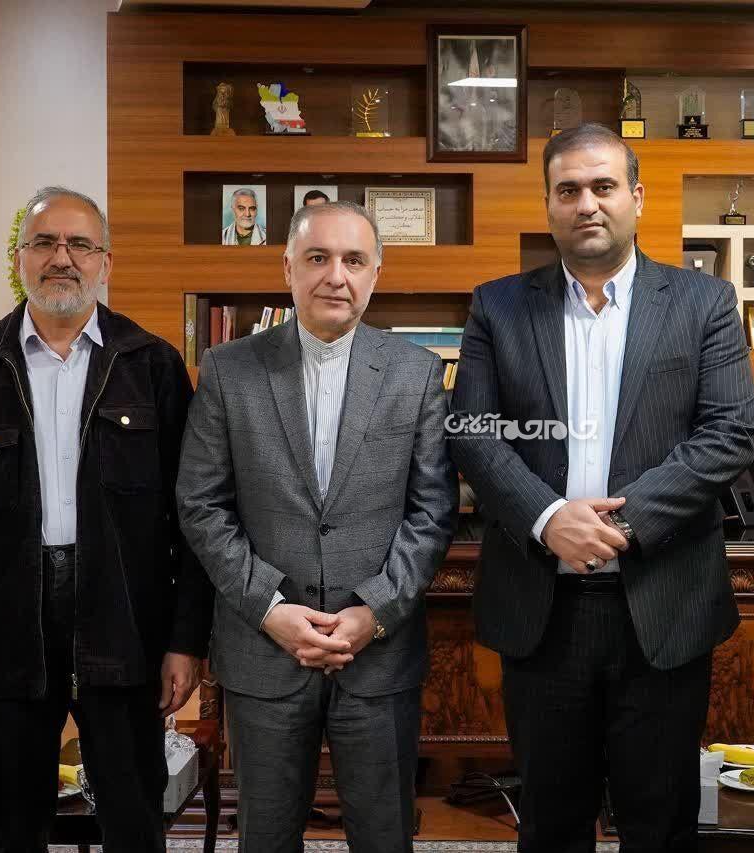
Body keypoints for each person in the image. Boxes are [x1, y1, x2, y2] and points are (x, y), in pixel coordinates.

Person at [449, 123, 754, 852]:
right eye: (568, 190)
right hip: (542, 608)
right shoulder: (497, 306)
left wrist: (622, 523)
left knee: (661, 823)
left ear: (636, 197)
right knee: (551, 824)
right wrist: (547, 516)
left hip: (663, 601)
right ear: (549, 205)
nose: (587, 203)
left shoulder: (704, 301)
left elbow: (729, 432)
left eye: (603, 186)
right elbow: (473, 431)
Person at [0, 186, 213, 851]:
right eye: (44, 242)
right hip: (3, 634)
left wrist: (186, 641)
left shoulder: (153, 367)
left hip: (126, 629)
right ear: (20, 259)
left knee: (135, 824)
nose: (61, 258)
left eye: (80, 244)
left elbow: (192, 520)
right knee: (13, 829)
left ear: (106, 261)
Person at [177, 200, 457, 853]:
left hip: (378, 655)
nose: (336, 275)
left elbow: (433, 509)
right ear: (288, 269)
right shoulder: (228, 370)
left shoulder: (417, 373)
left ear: (376, 273)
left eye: (354, 260)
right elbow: (201, 503)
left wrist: (375, 612)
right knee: (267, 838)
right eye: (318, 258)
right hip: (264, 651)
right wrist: (270, 609)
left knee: (384, 837)